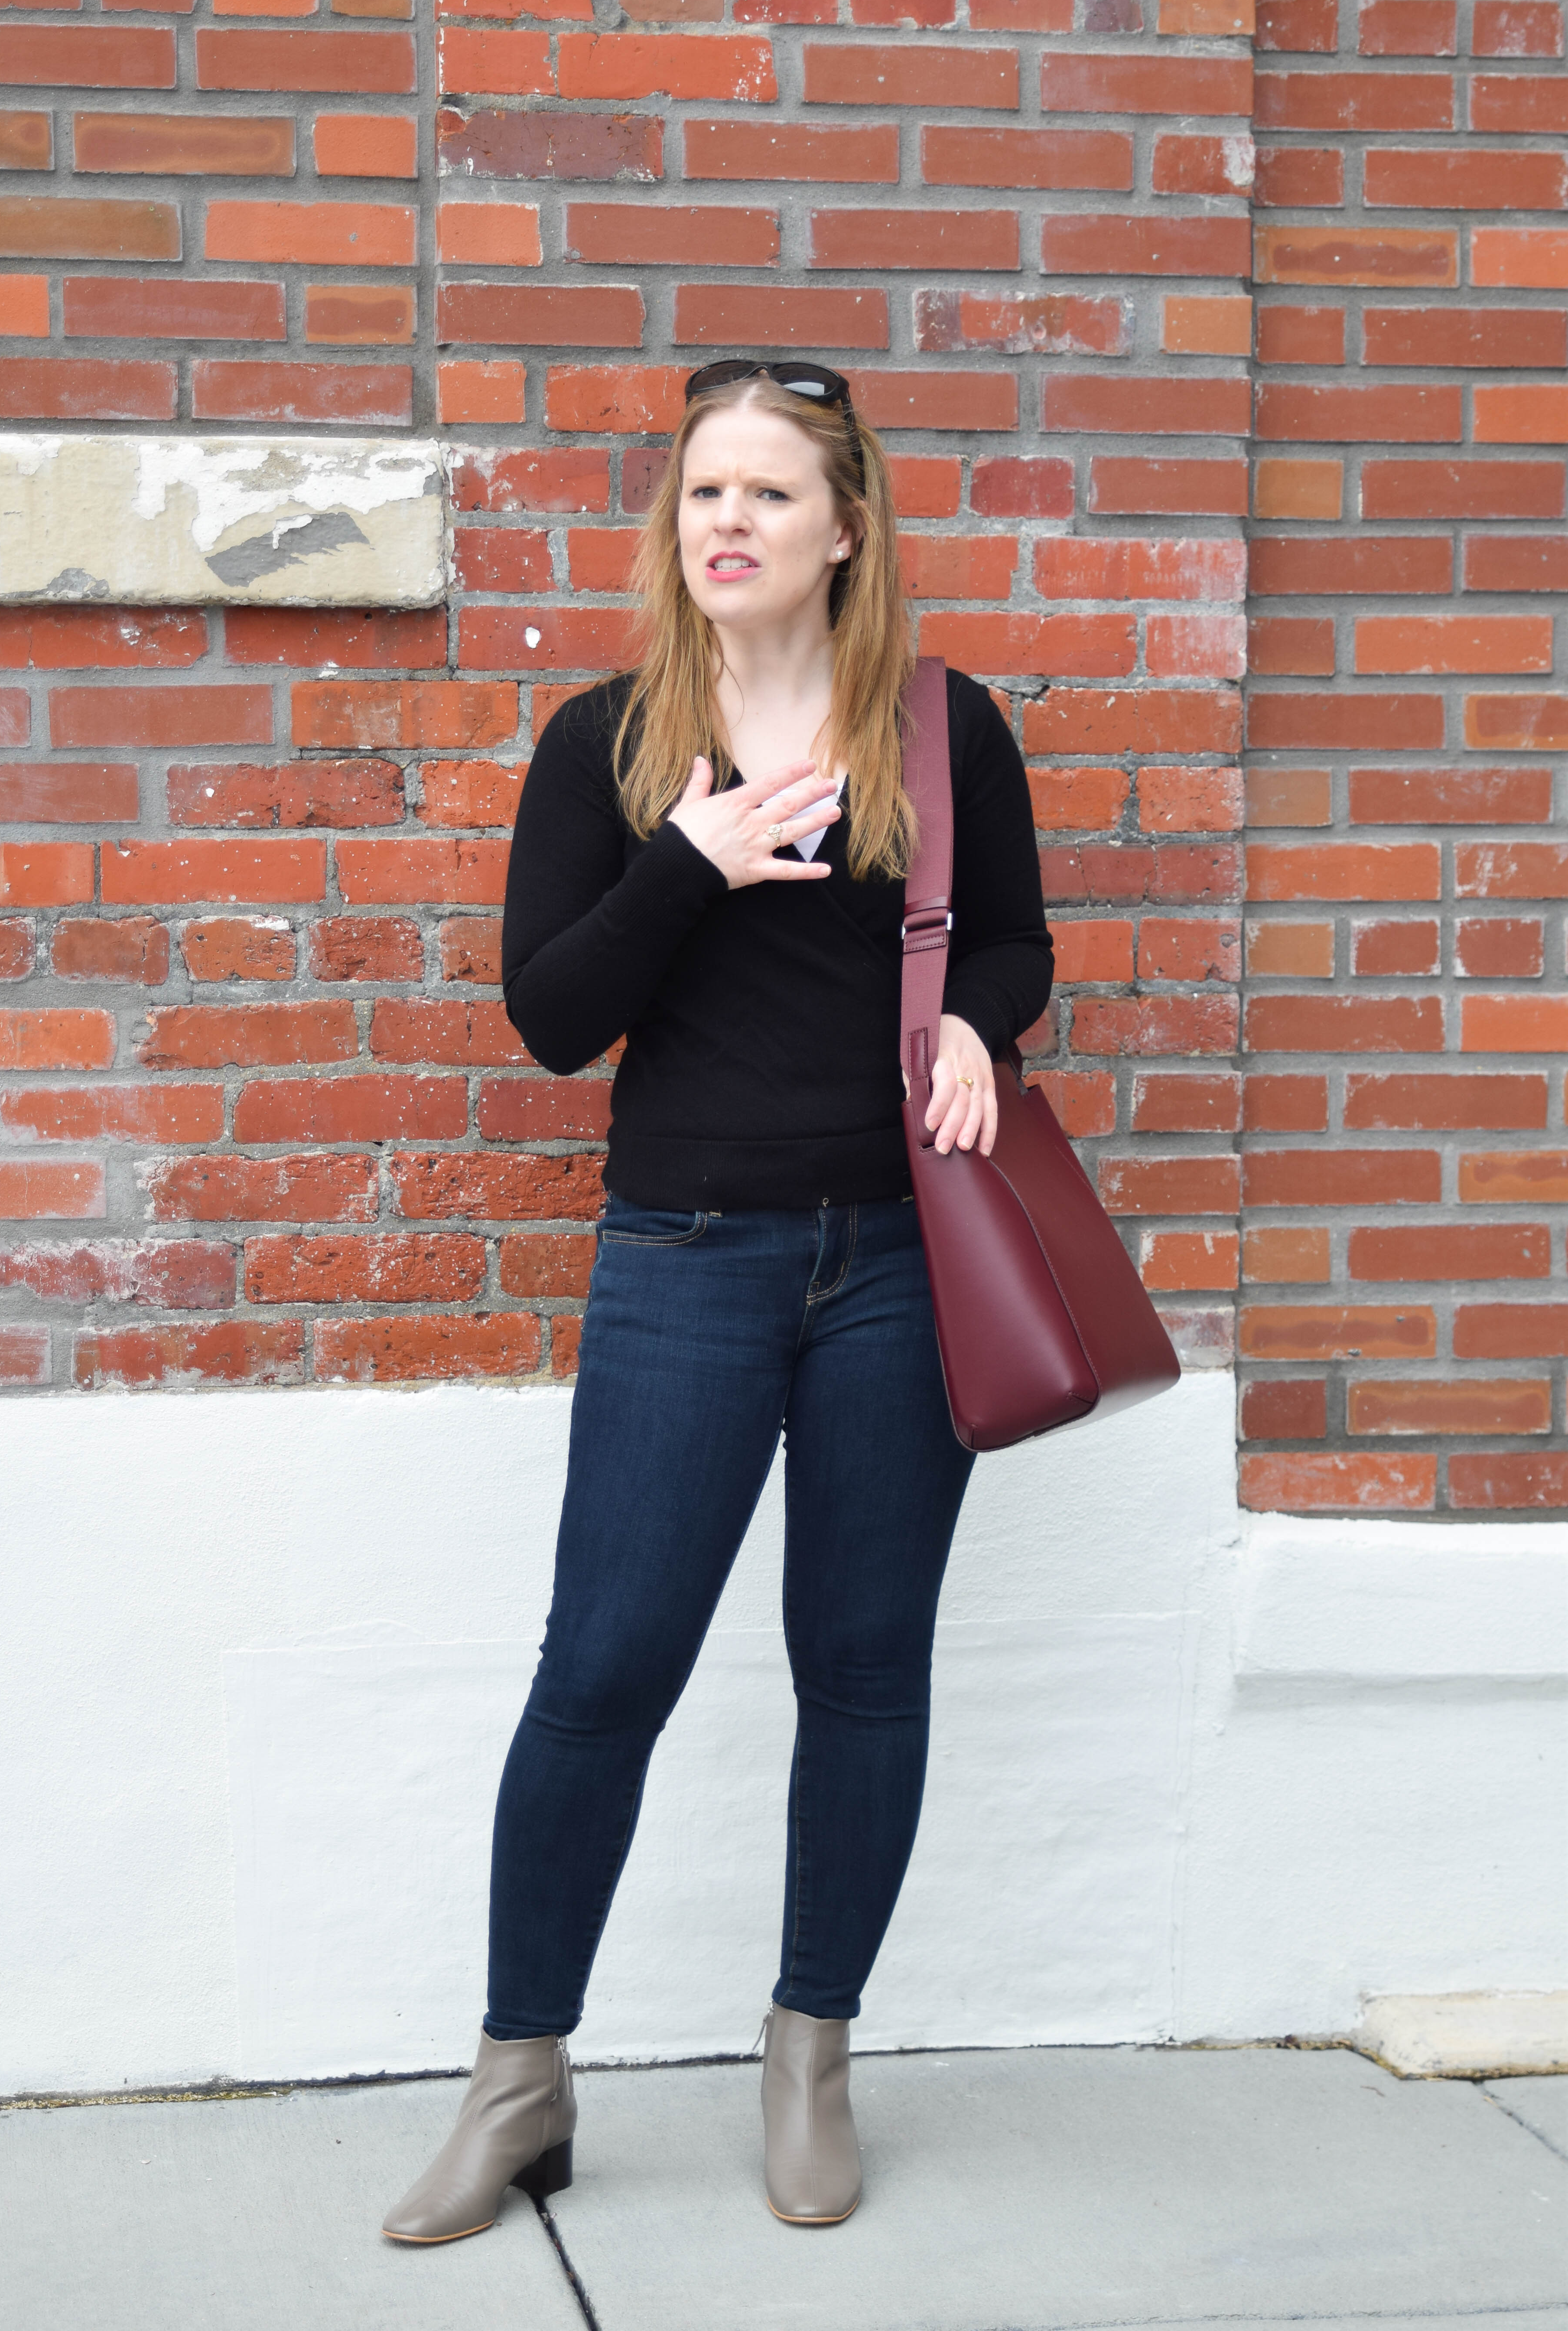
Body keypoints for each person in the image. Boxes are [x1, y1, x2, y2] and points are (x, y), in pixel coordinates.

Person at [381, 360, 1054, 2246]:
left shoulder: (936, 733)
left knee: (861, 1665)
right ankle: (520, 2082)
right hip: (682, 1258)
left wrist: (984, 1029)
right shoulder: (606, 740)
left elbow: (1008, 932)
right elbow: (548, 1018)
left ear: (847, 528)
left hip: (894, 1272)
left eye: (770, 493)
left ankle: (809, 2050)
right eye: (702, 495)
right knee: (601, 1670)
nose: (730, 524)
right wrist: (693, 855)